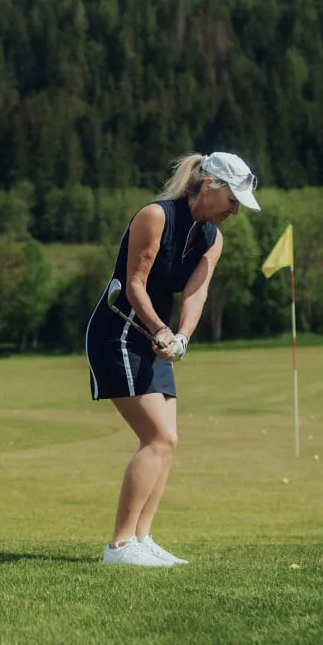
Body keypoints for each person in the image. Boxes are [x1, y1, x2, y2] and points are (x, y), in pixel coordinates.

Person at [84, 152, 261, 567]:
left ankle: (142, 539)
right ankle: (120, 546)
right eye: (233, 200)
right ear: (209, 186)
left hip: (157, 338)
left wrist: (182, 336)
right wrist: (162, 330)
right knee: (158, 439)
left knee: (168, 442)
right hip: (119, 333)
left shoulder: (213, 239)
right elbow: (133, 284)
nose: (235, 211)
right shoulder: (155, 217)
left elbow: (196, 293)